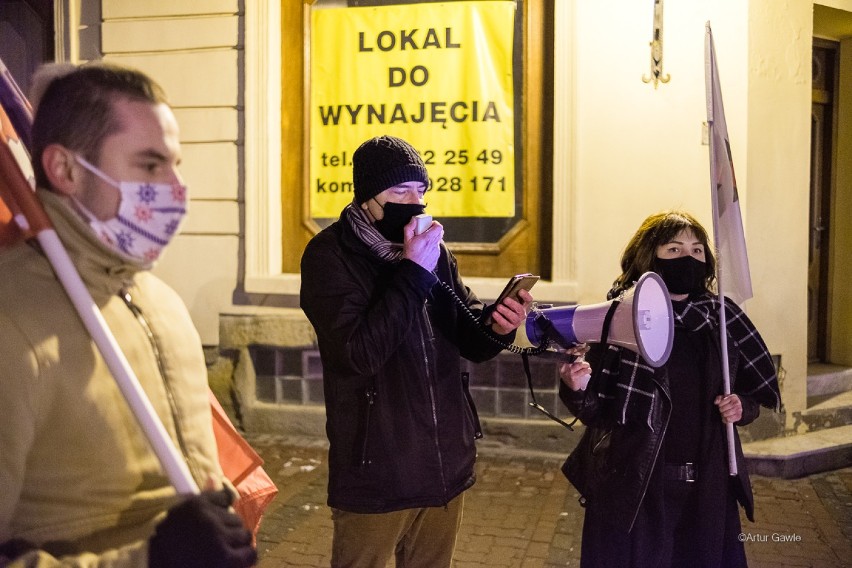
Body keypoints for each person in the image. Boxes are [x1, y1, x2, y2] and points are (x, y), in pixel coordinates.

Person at [0, 63, 257, 568]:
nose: (176, 189)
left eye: (175, 165)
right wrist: (150, 560)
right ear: (66, 170)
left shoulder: (161, 301)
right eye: (149, 165)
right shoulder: (12, 323)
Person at [300, 134, 532, 567]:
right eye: (401, 191)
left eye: (421, 190)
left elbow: (468, 338)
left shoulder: (431, 251)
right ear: (368, 196)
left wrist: (498, 326)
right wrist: (412, 271)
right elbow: (357, 354)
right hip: (377, 468)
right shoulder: (329, 255)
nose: (416, 202)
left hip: (444, 462)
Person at [558, 210, 781, 568]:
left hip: (708, 488)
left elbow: (753, 392)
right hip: (637, 487)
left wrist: (743, 406)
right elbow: (594, 409)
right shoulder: (619, 319)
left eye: (696, 250)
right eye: (674, 249)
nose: (687, 258)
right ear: (650, 256)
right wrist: (576, 386)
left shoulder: (723, 319)